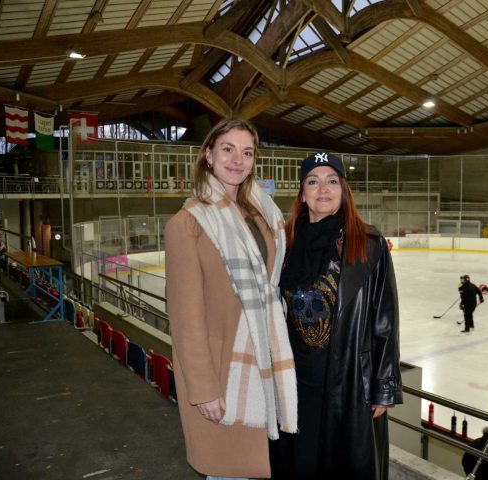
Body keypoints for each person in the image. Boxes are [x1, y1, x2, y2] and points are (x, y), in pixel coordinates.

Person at [165, 118, 297, 479]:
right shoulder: (188, 224)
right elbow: (185, 316)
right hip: (224, 373)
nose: (237, 159)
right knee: (229, 472)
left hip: (265, 365)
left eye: (247, 152)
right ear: (208, 155)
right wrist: (203, 389)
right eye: (228, 149)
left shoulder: (263, 214)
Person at [270, 151, 403, 480]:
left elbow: (384, 320)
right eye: (313, 182)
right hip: (294, 383)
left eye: (332, 181)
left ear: (344, 190)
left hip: (346, 383)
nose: (323, 189)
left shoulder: (368, 244)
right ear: (303, 193)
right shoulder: (284, 244)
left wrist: (384, 387)